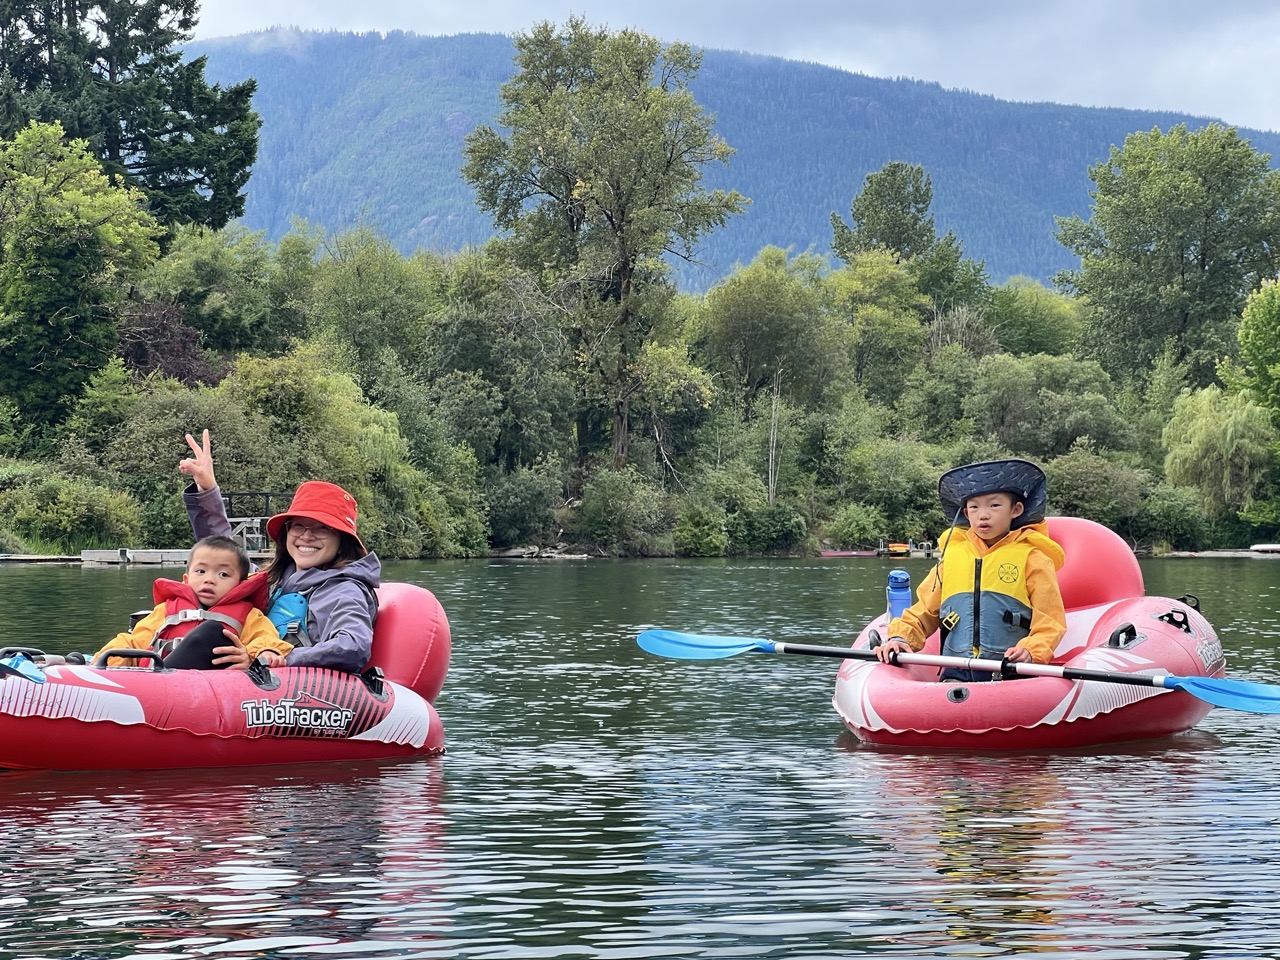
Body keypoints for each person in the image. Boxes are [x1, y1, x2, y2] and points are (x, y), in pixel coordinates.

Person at [179, 430, 380, 673]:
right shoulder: (275, 580)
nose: (306, 536)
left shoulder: (343, 590)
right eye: (298, 526)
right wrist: (207, 490)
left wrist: (275, 659)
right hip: (242, 685)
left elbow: (352, 646)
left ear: (342, 541)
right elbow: (222, 558)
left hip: (292, 697)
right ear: (287, 533)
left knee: (211, 633)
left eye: (322, 529)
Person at [874, 458, 1066, 682]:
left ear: (1016, 509)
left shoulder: (1034, 559)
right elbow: (924, 610)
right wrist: (900, 637)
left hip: (1011, 671)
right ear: (966, 512)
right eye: (974, 507)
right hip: (956, 670)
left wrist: (1031, 650)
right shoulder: (952, 558)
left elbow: (1050, 622)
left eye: (994, 505)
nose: (983, 515)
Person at [91, 535, 289, 669]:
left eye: (223, 574)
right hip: (155, 679)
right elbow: (134, 641)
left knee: (211, 631)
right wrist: (105, 660)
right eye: (200, 571)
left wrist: (259, 653)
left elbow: (267, 638)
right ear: (185, 579)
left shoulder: (249, 615)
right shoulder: (167, 610)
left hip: (211, 684)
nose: (209, 579)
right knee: (121, 645)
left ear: (240, 584)